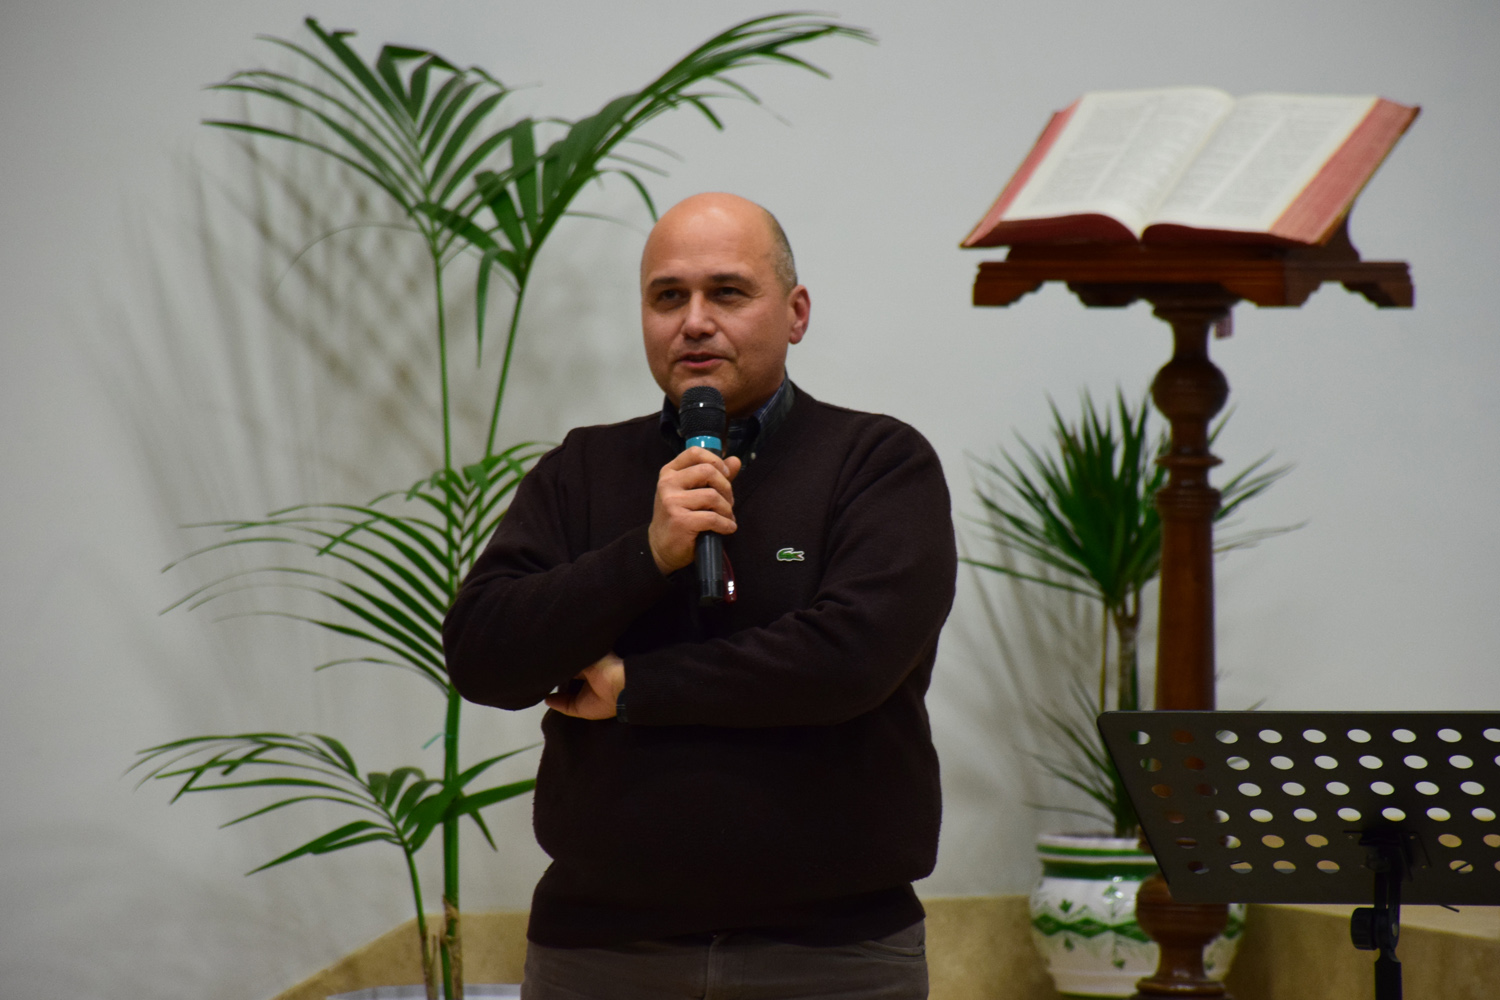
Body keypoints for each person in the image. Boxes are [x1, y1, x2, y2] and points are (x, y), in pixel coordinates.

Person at [443, 192, 957, 999]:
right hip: (601, 950)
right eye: (667, 297)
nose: (693, 322)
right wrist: (646, 554)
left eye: (727, 292)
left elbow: (849, 659)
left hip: (832, 952)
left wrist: (637, 687)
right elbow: (483, 654)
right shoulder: (581, 470)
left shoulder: (877, 463)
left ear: (795, 312)